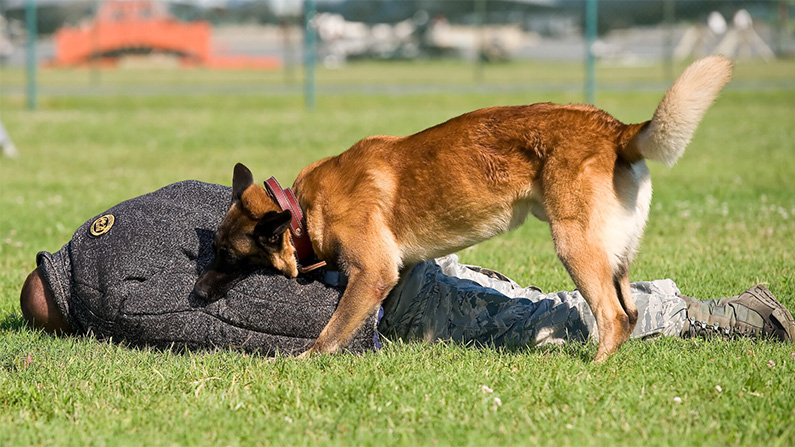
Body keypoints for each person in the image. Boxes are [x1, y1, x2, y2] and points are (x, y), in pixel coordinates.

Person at [19, 180, 795, 356]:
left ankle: (718, 314)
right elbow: (248, 206)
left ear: (57, 311)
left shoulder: (116, 297)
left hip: (371, 286)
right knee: (521, 299)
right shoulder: (110, 225)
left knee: (535, 322)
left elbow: (220, 324)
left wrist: (353, 332)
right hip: (371, 238)